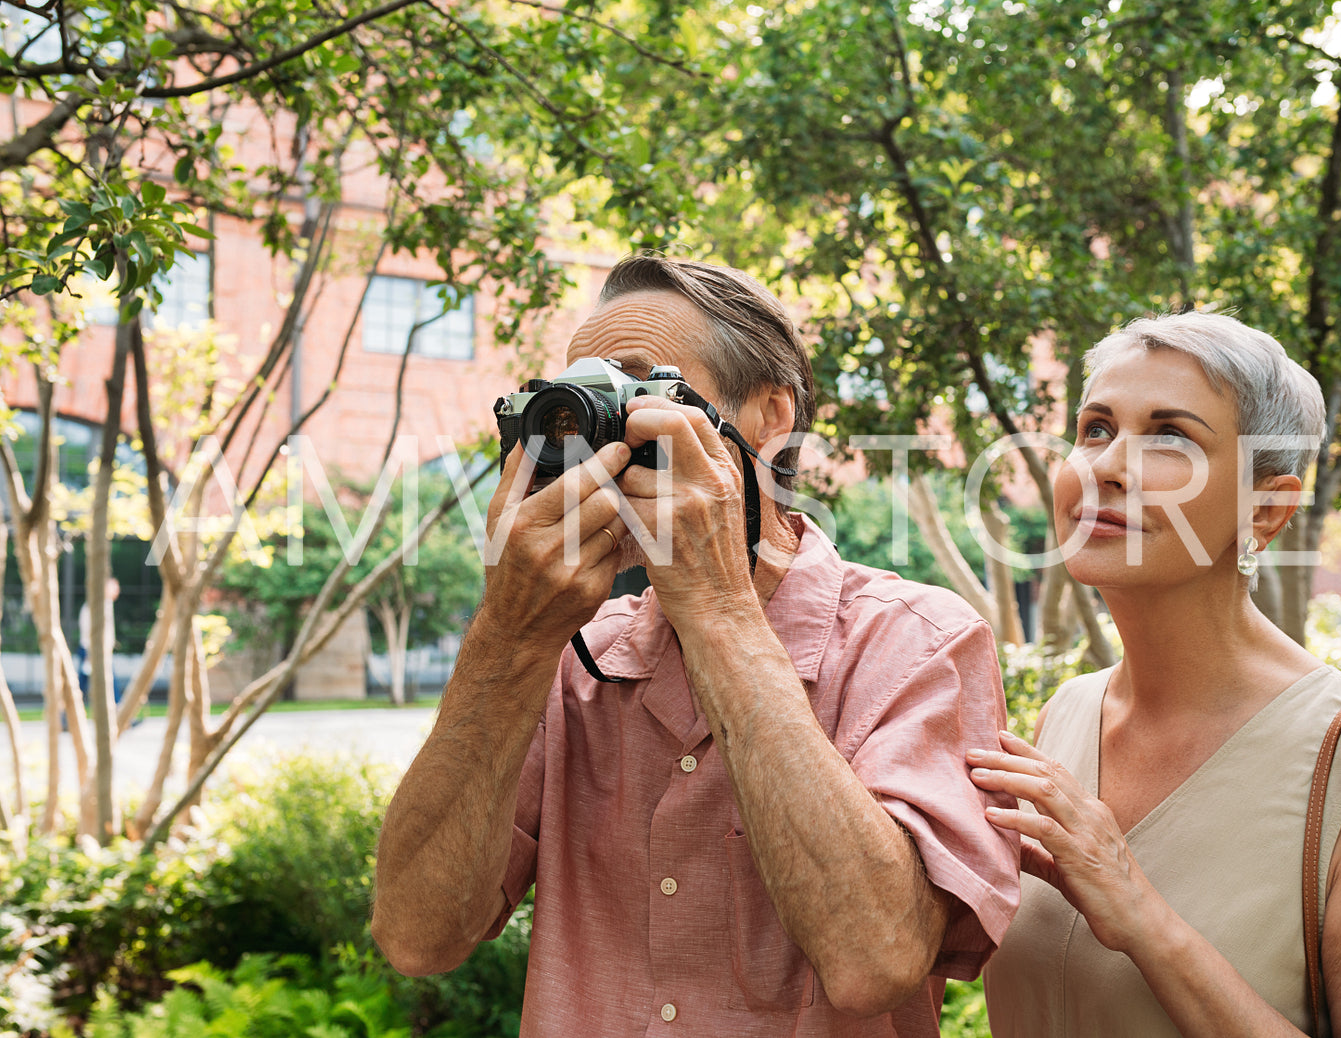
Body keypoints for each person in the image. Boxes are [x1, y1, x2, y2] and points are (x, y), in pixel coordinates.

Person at [373, 255, 1021, 1035]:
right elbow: (416, 937)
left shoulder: (915, 641)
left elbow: (875, 961)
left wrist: (715, 607)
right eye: (581, 399)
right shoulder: (572, 654)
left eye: (637, 389)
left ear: (769, 417)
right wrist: (507, 633)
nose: (597, 428)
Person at [968, 311, 1341, 1036]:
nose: (1107, 465)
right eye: (1094, 428)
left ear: (1266, 510)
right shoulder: (1064, 716)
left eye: (1170, 435)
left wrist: (1143, 919)